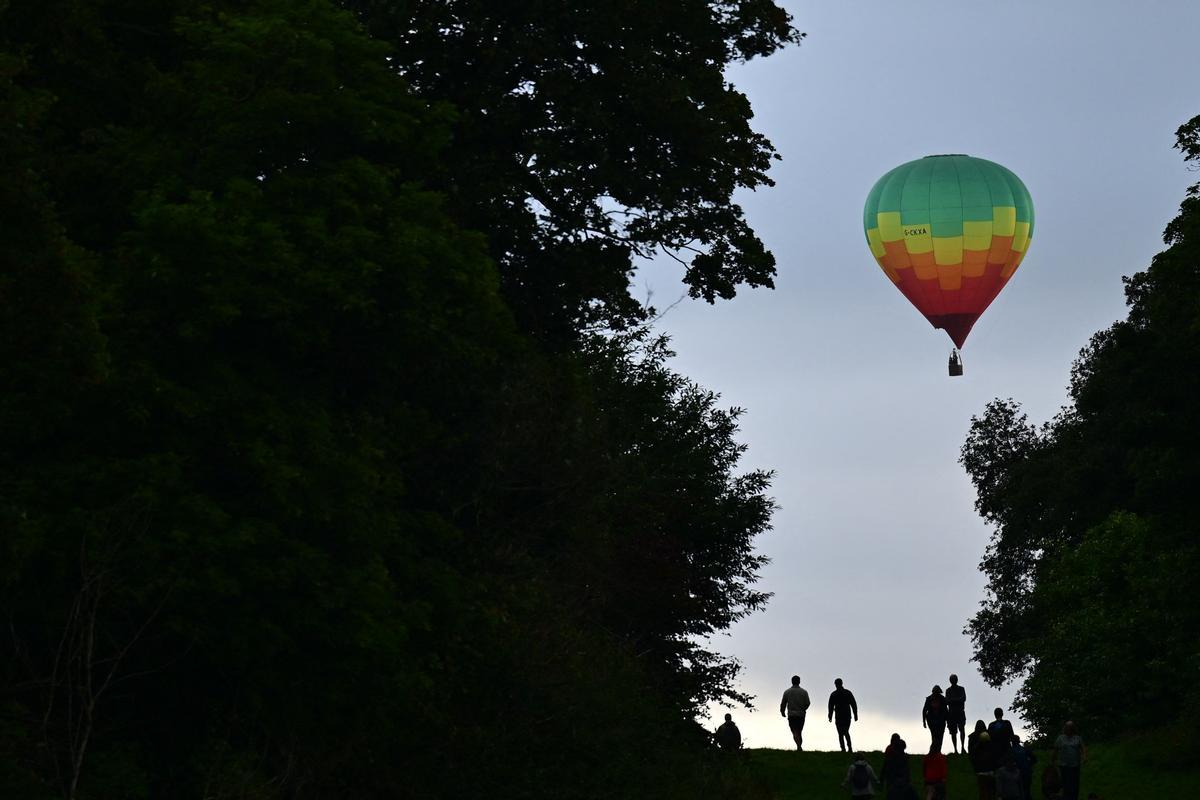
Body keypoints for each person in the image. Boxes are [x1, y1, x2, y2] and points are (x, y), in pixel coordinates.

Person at [1052, 721, 1086, 800]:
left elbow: (1083, 748)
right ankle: (1066, 797)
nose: (1068, 729)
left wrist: (1084, 757)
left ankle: (1074, 797)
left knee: (1074, 784)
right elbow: (1055, 750)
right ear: (1065, 728)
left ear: (1073, 728)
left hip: (1075, 765)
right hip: (1064, 765)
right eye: (1067, 727)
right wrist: (1053, 760)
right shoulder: (1060, 738)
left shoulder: (1077, 738)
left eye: (1070, 727)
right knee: (1066, 784)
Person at [780, 674, 811, 750]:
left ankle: (799, 746)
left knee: (794, 731)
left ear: (792, 682)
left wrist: (782, 711)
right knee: (799, 731)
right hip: (801, 715)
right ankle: (799, 746)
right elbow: (808, 703)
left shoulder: (787, 692)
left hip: (791, 715)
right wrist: (803, 709)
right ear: (799, 682)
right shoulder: (804, 692)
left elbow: (783, 703)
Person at [829, 678, 860, 752]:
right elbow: (853, 704)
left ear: (835, 684)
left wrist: (830, 716)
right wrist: (855, 714)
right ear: (842, 683)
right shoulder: (848, 693)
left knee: (840, 733)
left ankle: (843, 749)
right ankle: (849, 748)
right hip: (847, 715)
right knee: (846, 731)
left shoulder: (834, 694)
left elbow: (830, 706)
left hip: (839, 716)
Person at [968, 722, 997, 800]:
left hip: (981, 768)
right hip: (987, 768)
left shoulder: (972, 737)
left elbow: (971, 753)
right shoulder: (988, 735)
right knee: (990, 791)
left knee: (984, 791)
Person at [922, 685, 948, 753]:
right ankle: (934, 751)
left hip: (941, 721)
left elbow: (946, 711)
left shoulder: (942, 699)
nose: (936, 693)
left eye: (937, 692)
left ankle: (938, 751)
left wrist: (947, 721)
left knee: (940, 736)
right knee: (934, 735)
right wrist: (924, 722)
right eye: (935, 692)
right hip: (931, 721)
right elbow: (924, 710)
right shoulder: (929, 699)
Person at [1010, 734, 1036, 800]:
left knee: (1017, 791)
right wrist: (1029, 765)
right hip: (1026, 772)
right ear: (1019, 741)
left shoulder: (1011, 751)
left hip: (1016, 774)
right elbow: (1034, 759)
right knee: (1026, 791)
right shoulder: (1025, 749)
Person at [946, 674, 967, 754]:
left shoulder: (961, 689)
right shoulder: (948, 690)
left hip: (960, 713)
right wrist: (957, 700)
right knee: (953, 732)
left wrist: (953, 700)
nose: (953, 681)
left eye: (954, 679)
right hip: (952, 714)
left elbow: (963, 699)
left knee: (962, 729)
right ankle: (955, 749)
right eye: (952, 679)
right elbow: (947, 701)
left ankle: (962, 747)